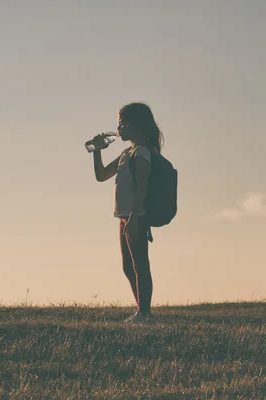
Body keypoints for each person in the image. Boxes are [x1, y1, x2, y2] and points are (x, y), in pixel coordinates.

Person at [91, 102, 164, 323]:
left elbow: (143, 187)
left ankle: (144, 313)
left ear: (136, 126)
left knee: (139, 263)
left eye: (122, 124)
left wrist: (134, 217)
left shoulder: (141, 152)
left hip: (136, 215)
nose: (119, 128)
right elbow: (102, 175)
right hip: (124, 216)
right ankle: (141, 310)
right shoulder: (126, 153)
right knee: (128, 266)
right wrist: (97, 151)